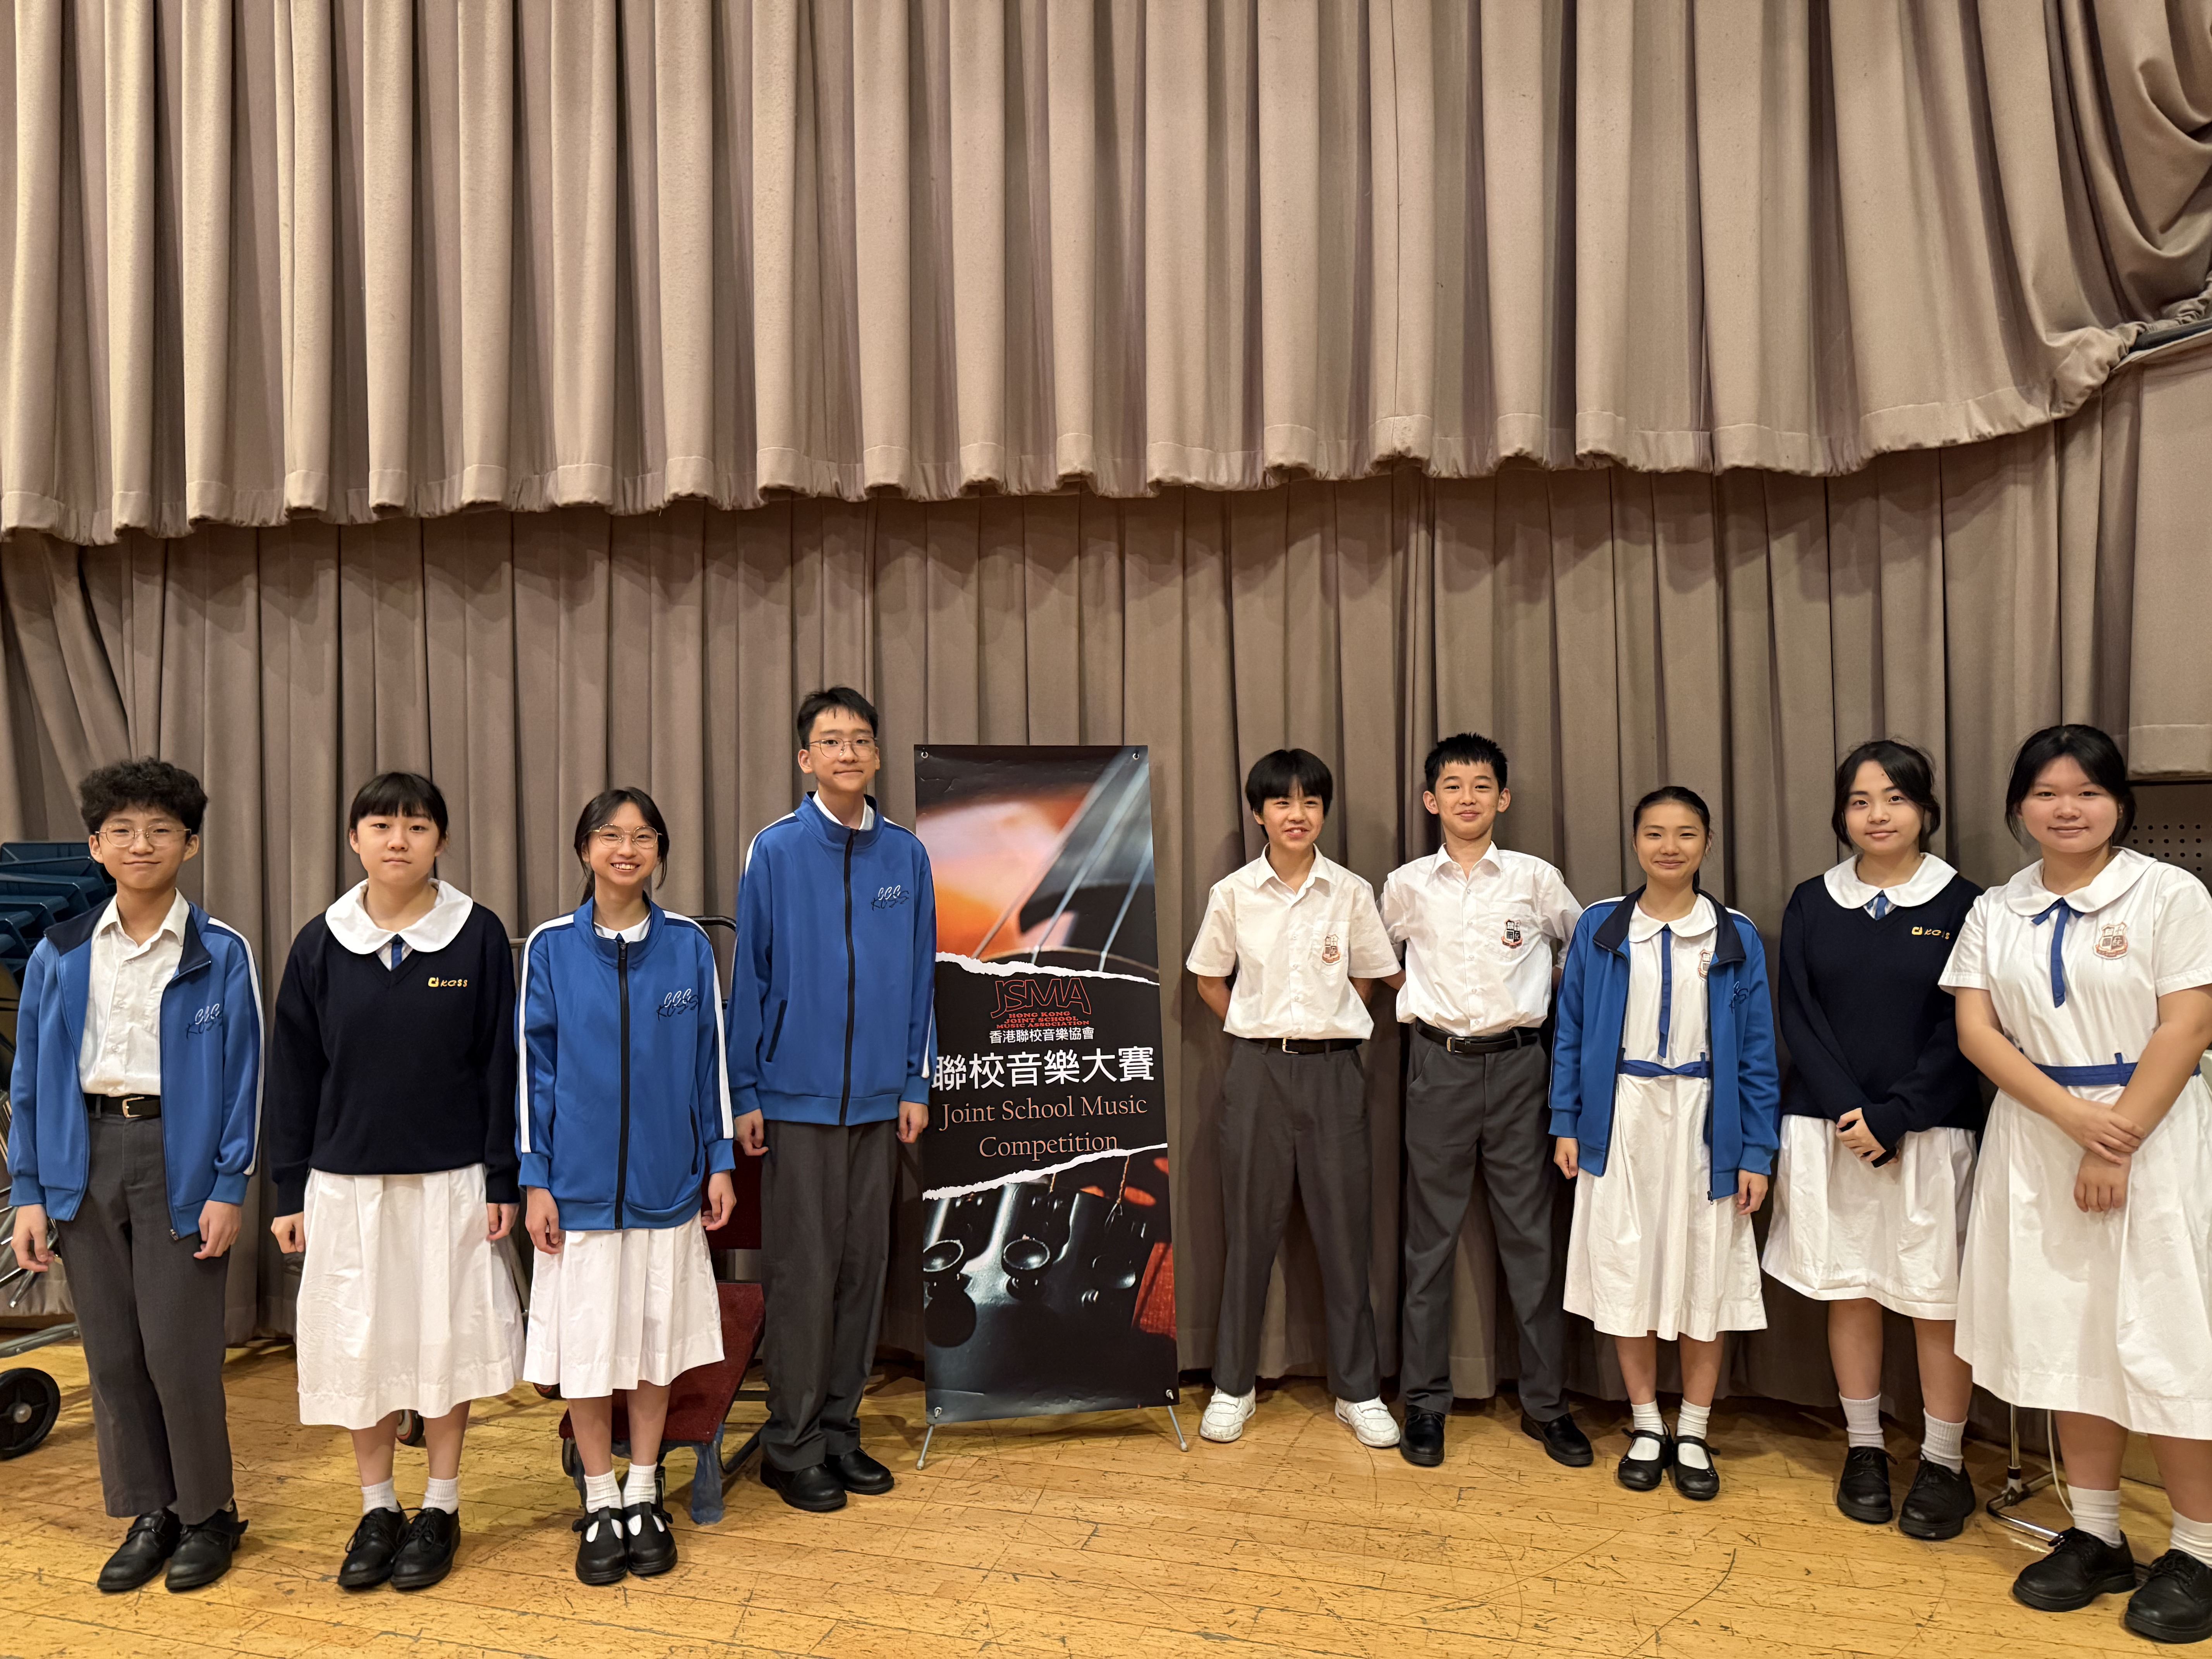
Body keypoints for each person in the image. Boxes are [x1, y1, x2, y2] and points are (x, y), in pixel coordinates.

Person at [1942, 725, 2212, 1644]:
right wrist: (2070, 1120)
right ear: (2020, 806)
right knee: (2068, 1332)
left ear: (2118, 804)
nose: (2068, 809)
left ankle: (2198, 1549)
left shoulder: (2169, 893)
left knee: (2167, 1336)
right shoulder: (1998, 909)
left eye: (2088, 792)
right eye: (2048, 793)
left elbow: (2188, 1024)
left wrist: (2114, 1137)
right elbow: (1978, 1033)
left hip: (2153, 1139)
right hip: (2038, 1137)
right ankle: (2096, 1534)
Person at [265, 772, 524, 1592]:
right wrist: (287, 1190)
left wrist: (503, 1179)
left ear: (442, 841)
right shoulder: (321, 942)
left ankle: (442, 1504)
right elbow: (293, 1076)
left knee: (447, 1341)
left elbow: (500, 1065)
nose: (399, 840)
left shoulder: (477, 934)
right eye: (381, 825)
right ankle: (378, 1507)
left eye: (417, 825)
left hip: (453, 1182)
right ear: (355, 840)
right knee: (361, 1346)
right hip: (345, 1187)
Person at [6, 759, 260, 1592]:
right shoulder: (59, 952)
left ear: (190, 845)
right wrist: (30, 1192)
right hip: (82, 1157)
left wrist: (229, 1185)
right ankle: (151, 1511)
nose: (140, 844)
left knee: (179, 1356)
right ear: (95, 846)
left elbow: (245, 1078)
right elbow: (31, 1081)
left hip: (177, 1160)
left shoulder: (221, 952)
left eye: (160, 830)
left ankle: (209, 1512)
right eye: (120, 830)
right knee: (113, 1357)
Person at [1762, 740, 1985, 1539]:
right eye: (1860, 801)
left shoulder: (1967, 904)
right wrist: (1850, 1112)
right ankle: (1864, 1447)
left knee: (1936, 1303)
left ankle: (1944, 1462)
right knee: (1849, 1289)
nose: (1878, 815)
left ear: (1925, 809)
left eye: (1895, 798)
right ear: (1841, 814)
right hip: (1830, 1130)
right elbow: (1799, 1017)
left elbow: (1970, 1027)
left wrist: (1896, 1115)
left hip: (1930, 1133)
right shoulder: (1811, 901)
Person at [519, 788, 738, 1586]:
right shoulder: (550, 948)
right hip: (576, 1193)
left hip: (667, 1186)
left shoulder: (687, 947)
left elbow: (709, 1064)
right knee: (586, 1355)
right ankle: (601, 1496)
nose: (626, 849)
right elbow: (533, 1073)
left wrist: (718, 1160)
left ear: (659, 853)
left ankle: (645, 1489)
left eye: (643, 836)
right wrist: (536, 1178)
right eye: (610, 835)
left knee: (652, 1347)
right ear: (585, 850)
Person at [726, 687, 935, 1513]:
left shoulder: (907, 857)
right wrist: (747, 1088)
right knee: (804, 1275)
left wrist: (914, 1081)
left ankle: (841, 1432)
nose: (847, 752)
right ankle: (792, 1444)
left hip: (881, 1104)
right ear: (806, 758)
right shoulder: (776, 849)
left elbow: (919, 977)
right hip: (796, 1100)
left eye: (860, 740)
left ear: (876, 755)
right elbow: (752, 977)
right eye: (830, 740)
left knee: (861, 1272)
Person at [1550, 785, 1778, 1501]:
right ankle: (1647, 1422)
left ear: (1707, 843)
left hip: (1710, 1122)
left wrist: (1757, 1151)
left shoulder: (1734, 935)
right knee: (1628, 1270)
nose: (1669, 847)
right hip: (1621, 1116)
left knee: (1705, 1274)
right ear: (1635, 842)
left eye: (1685, 834)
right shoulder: (1601, 927)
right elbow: (1571, 1029)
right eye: (1655, 833)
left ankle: (1696, 1428)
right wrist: (1566, 1119)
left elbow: (1759, 1052)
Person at [1382, 732, 1587, 1471]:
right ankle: (1424, 1403)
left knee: (1530, 1241)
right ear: (1430, 800)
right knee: (1429, 1242)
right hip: (1437, 1069)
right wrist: (1425, 1000)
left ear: (1503, 798)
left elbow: (1580, 953)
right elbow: (1378, 960)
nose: (1467, 798)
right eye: (1452, 786)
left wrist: (1533, 996)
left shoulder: (1535, 878)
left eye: (1481, 786)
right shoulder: (1406, 884)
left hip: (1520, 1069)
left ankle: (1547, 1406)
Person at [1187, 748, 1400, 1450]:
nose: (1297, 814)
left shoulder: (1351, 891)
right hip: (1257, 1074)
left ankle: (1358, 1391)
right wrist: (1259, 1027)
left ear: (1324, 812)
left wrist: (1327, 1024)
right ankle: (1233, 1385)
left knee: (1345, 1237)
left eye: (1310, 801)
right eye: (1282, 802)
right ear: (1259, 813)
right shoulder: (1233, 893)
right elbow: (1210, 981)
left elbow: (1370, 976)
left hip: (1336, 1073)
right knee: (1249, 1234)